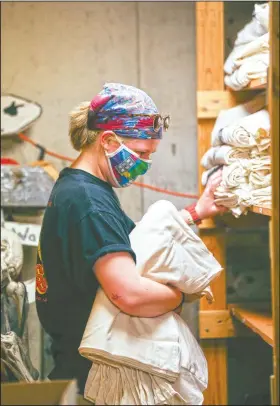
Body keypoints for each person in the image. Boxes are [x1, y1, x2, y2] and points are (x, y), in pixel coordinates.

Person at [35, 83, 226, 399]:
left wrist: (196, 212)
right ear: (108, 141)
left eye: (150, 155)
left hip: (79, 367)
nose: (145, 164)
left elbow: (132, 240)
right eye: (140, 153)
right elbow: (130, 294)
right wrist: (179, 297)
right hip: (95, 381)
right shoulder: (88, 202)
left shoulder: (79, 187)